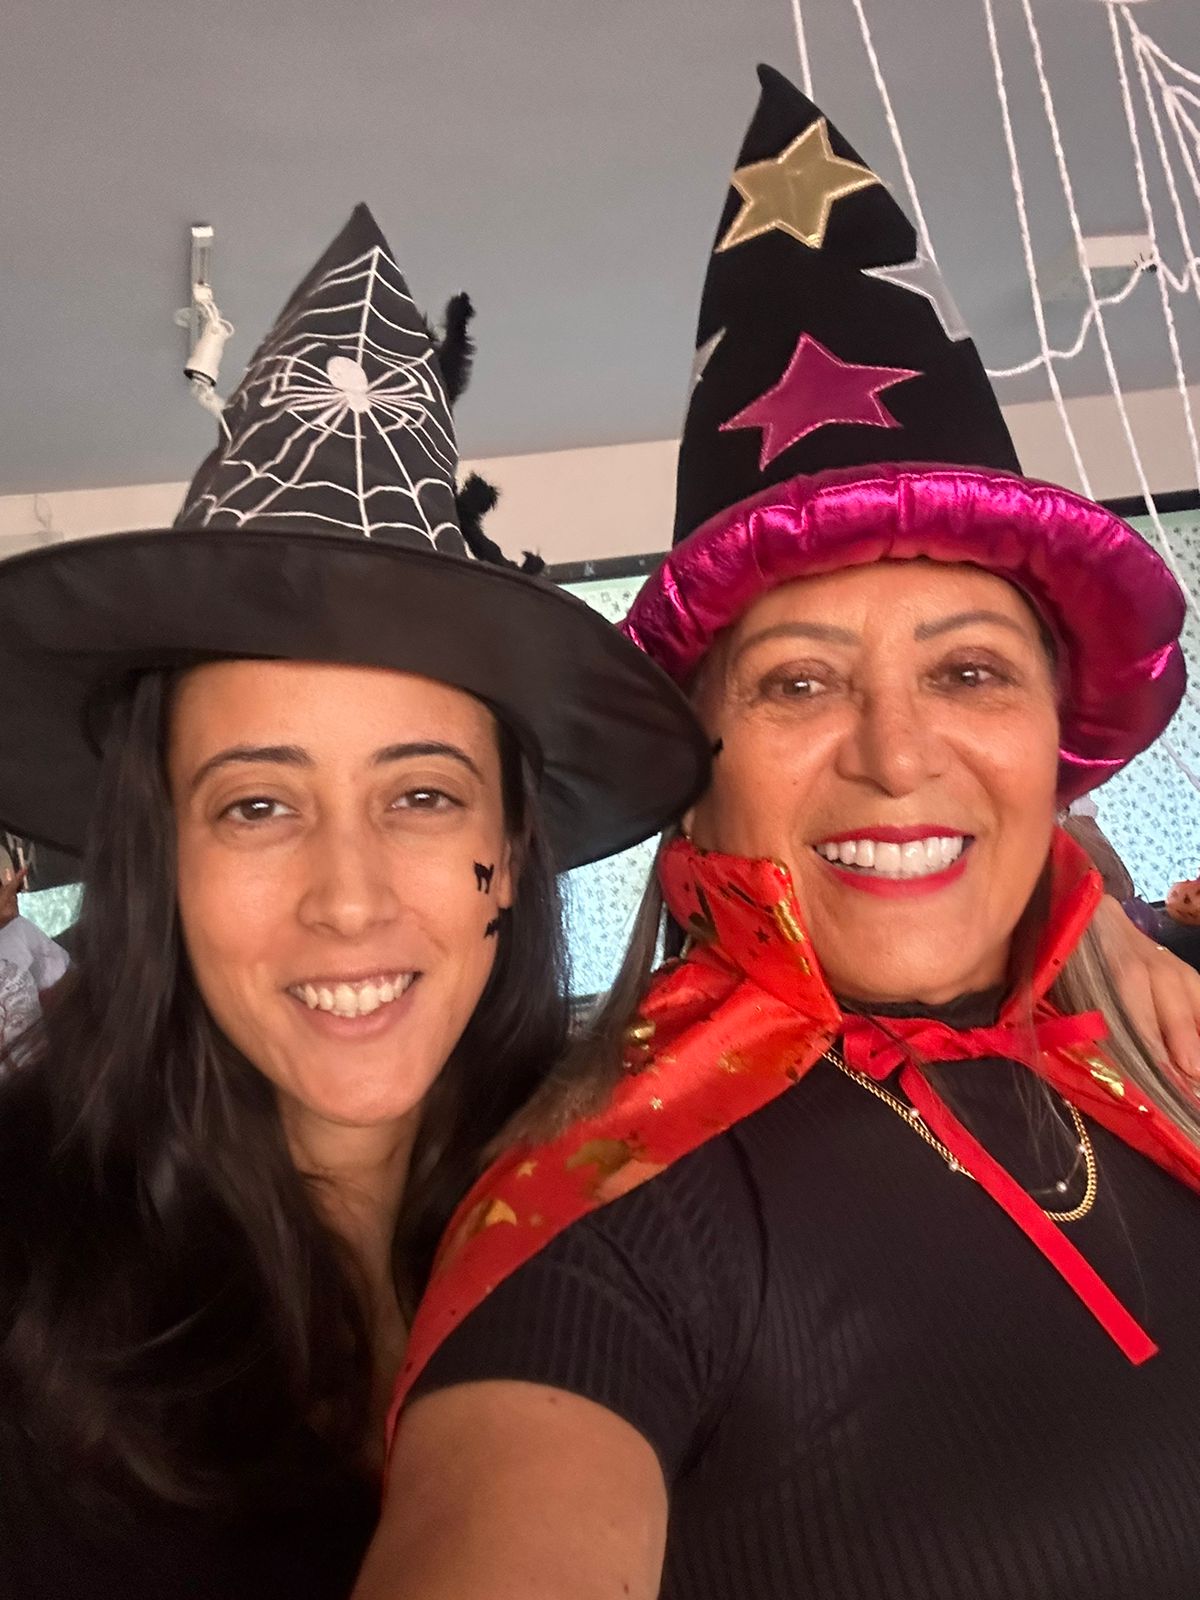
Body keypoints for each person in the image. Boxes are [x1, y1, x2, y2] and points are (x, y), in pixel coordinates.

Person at [356, 70, 1200, 1600]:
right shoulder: (611, 1218)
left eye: (970, 673)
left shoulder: (1162, 1055)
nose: (896, 754)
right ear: (698, 771)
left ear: (1052, 746)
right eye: (800, 683)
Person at [0, 206, 706, 1599]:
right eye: (257, 806)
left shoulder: (648, 1210)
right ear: (161, 856)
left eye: (423, 795)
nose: (346, 898)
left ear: (514, 846)